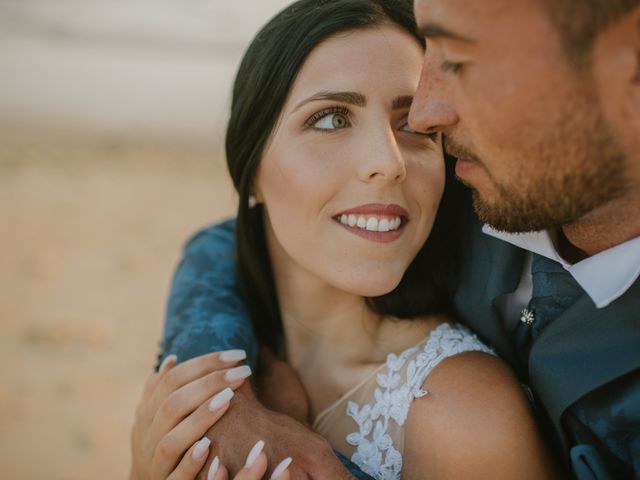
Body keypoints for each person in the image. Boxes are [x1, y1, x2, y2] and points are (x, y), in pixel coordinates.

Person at [153, 0, 640, 478]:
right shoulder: (494, 194)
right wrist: (219, 401)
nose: (390, 162)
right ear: (249, 164)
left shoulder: (463, 416)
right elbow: (217, 243)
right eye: (331, 119)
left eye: (408, 125)